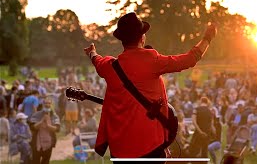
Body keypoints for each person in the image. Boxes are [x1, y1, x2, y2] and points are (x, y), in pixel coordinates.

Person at [83, 12, 217, 161]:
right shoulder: (151, 60)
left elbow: (97, 61)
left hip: (120, 150)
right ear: (142, 38)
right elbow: (190, 59)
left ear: (122, 40)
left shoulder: (110, 66)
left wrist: (92, 52)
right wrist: (208, 38)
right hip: (149, 145)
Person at [29, 96, 60, 164]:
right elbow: (32, 127)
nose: (47, 105)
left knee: (45, 162)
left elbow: (57, 129)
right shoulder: (36, 115)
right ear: (43, 104)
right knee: (35, 161)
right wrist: (42, 121)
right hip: (36, 142)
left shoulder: (55, 116)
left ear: (51, 105)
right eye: (45, 103)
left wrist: (49, 126)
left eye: (49, 103)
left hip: (49, 143)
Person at [189, 97, 215, 161]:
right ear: (207, 102)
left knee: (194, 151)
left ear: (201, 101)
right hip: (207, 134)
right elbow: (212, 125)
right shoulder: (210, 111)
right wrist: (213, 133)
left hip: (198, 134)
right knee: (204, 152)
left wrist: (200, 131)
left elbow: (194, 121)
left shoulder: (196, 109)